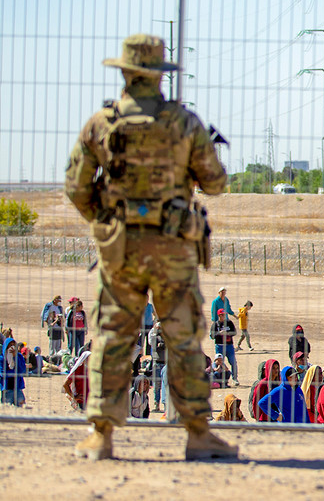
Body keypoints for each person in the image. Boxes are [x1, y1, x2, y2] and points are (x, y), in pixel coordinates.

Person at [64, 34, 236, 460]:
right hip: (173, 248)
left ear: (123, 72)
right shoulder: (184, 123)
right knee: (183, 338)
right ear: (161, 75)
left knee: (112, 336)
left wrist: (107, 221)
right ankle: (197, 432)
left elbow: (75, 187)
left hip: (120, 248)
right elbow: (215, 183)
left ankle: (101, 435)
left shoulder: (101, 124)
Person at [209, 309, 238, 386]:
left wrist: (227, 333)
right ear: (219, 315)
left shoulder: (229, 323)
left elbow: (234, 332)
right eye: (222, 315)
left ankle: (235, 379)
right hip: (219, 346)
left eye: (224, 314)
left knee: (233, 362)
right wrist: (219, 333)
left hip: (229, 345)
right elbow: (212, 336)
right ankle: (220, 381)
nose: (224, 316)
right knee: (219, 363)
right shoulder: (215, 325)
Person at [1, 337, 27, 407]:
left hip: (18, 388)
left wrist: (15, 357)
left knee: (22, 409)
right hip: (7, 389)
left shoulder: (19, 356)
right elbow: (2, 373)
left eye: (13, 345)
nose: (12, 348)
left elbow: (22, 370)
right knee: (5, 410)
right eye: (10, 345)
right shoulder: (2, 358)